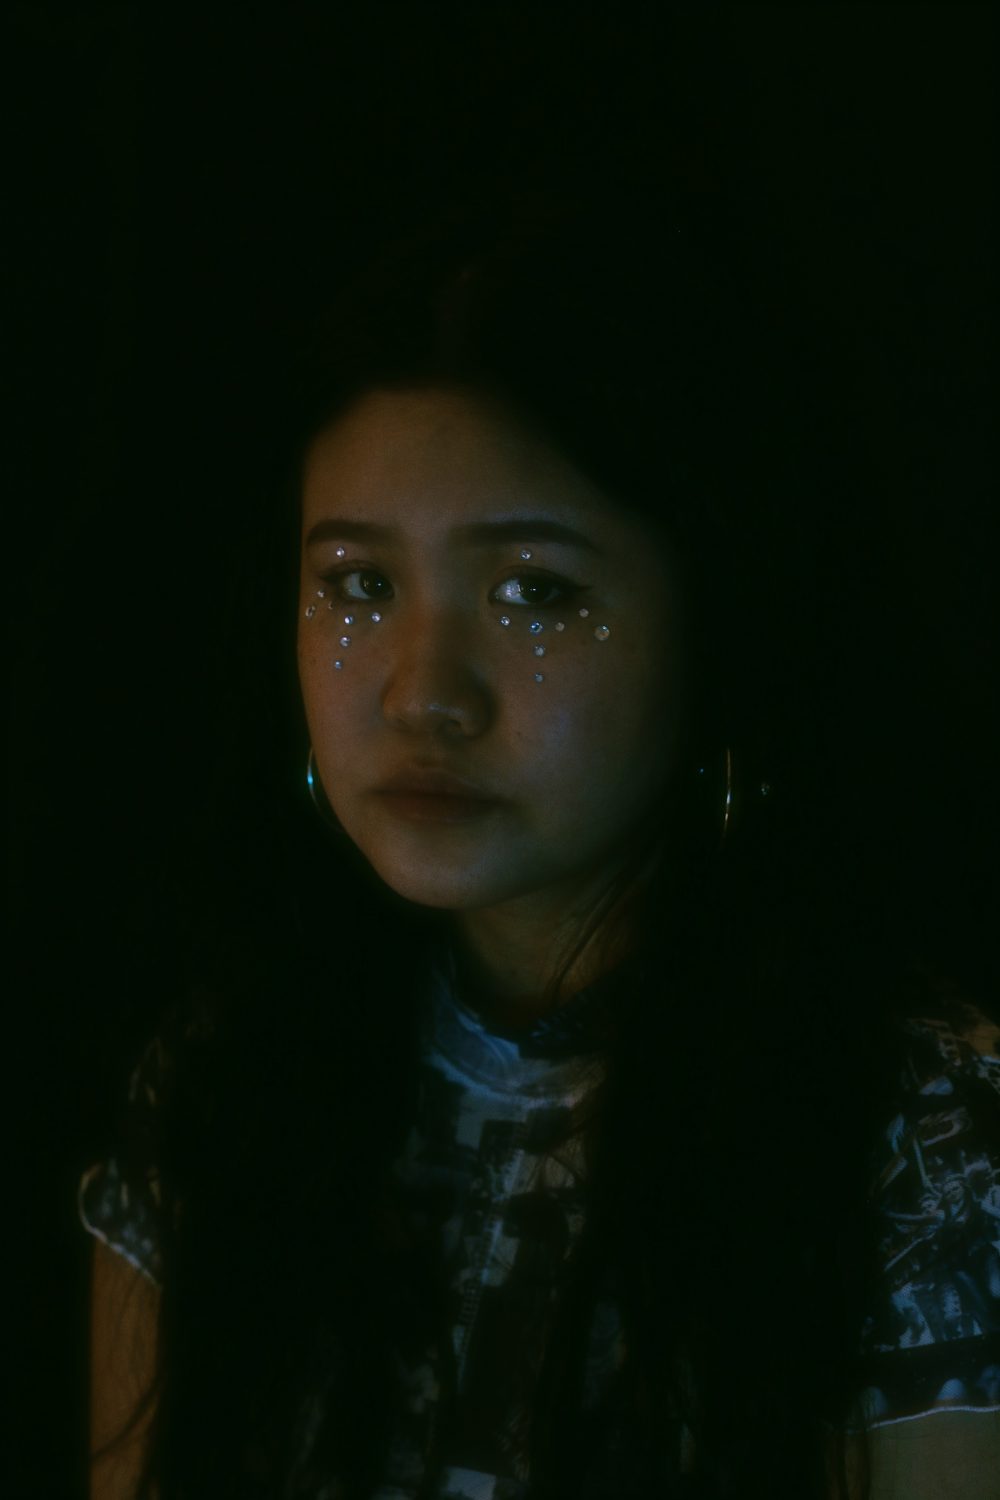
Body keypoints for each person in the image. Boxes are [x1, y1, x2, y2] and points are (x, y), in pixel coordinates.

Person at [81, 188, 1000, 1499]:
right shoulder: (226, 1087)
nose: (421, 692)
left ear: (713, 614)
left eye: (536, 593)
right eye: (357, 585)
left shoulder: (922, 1147)